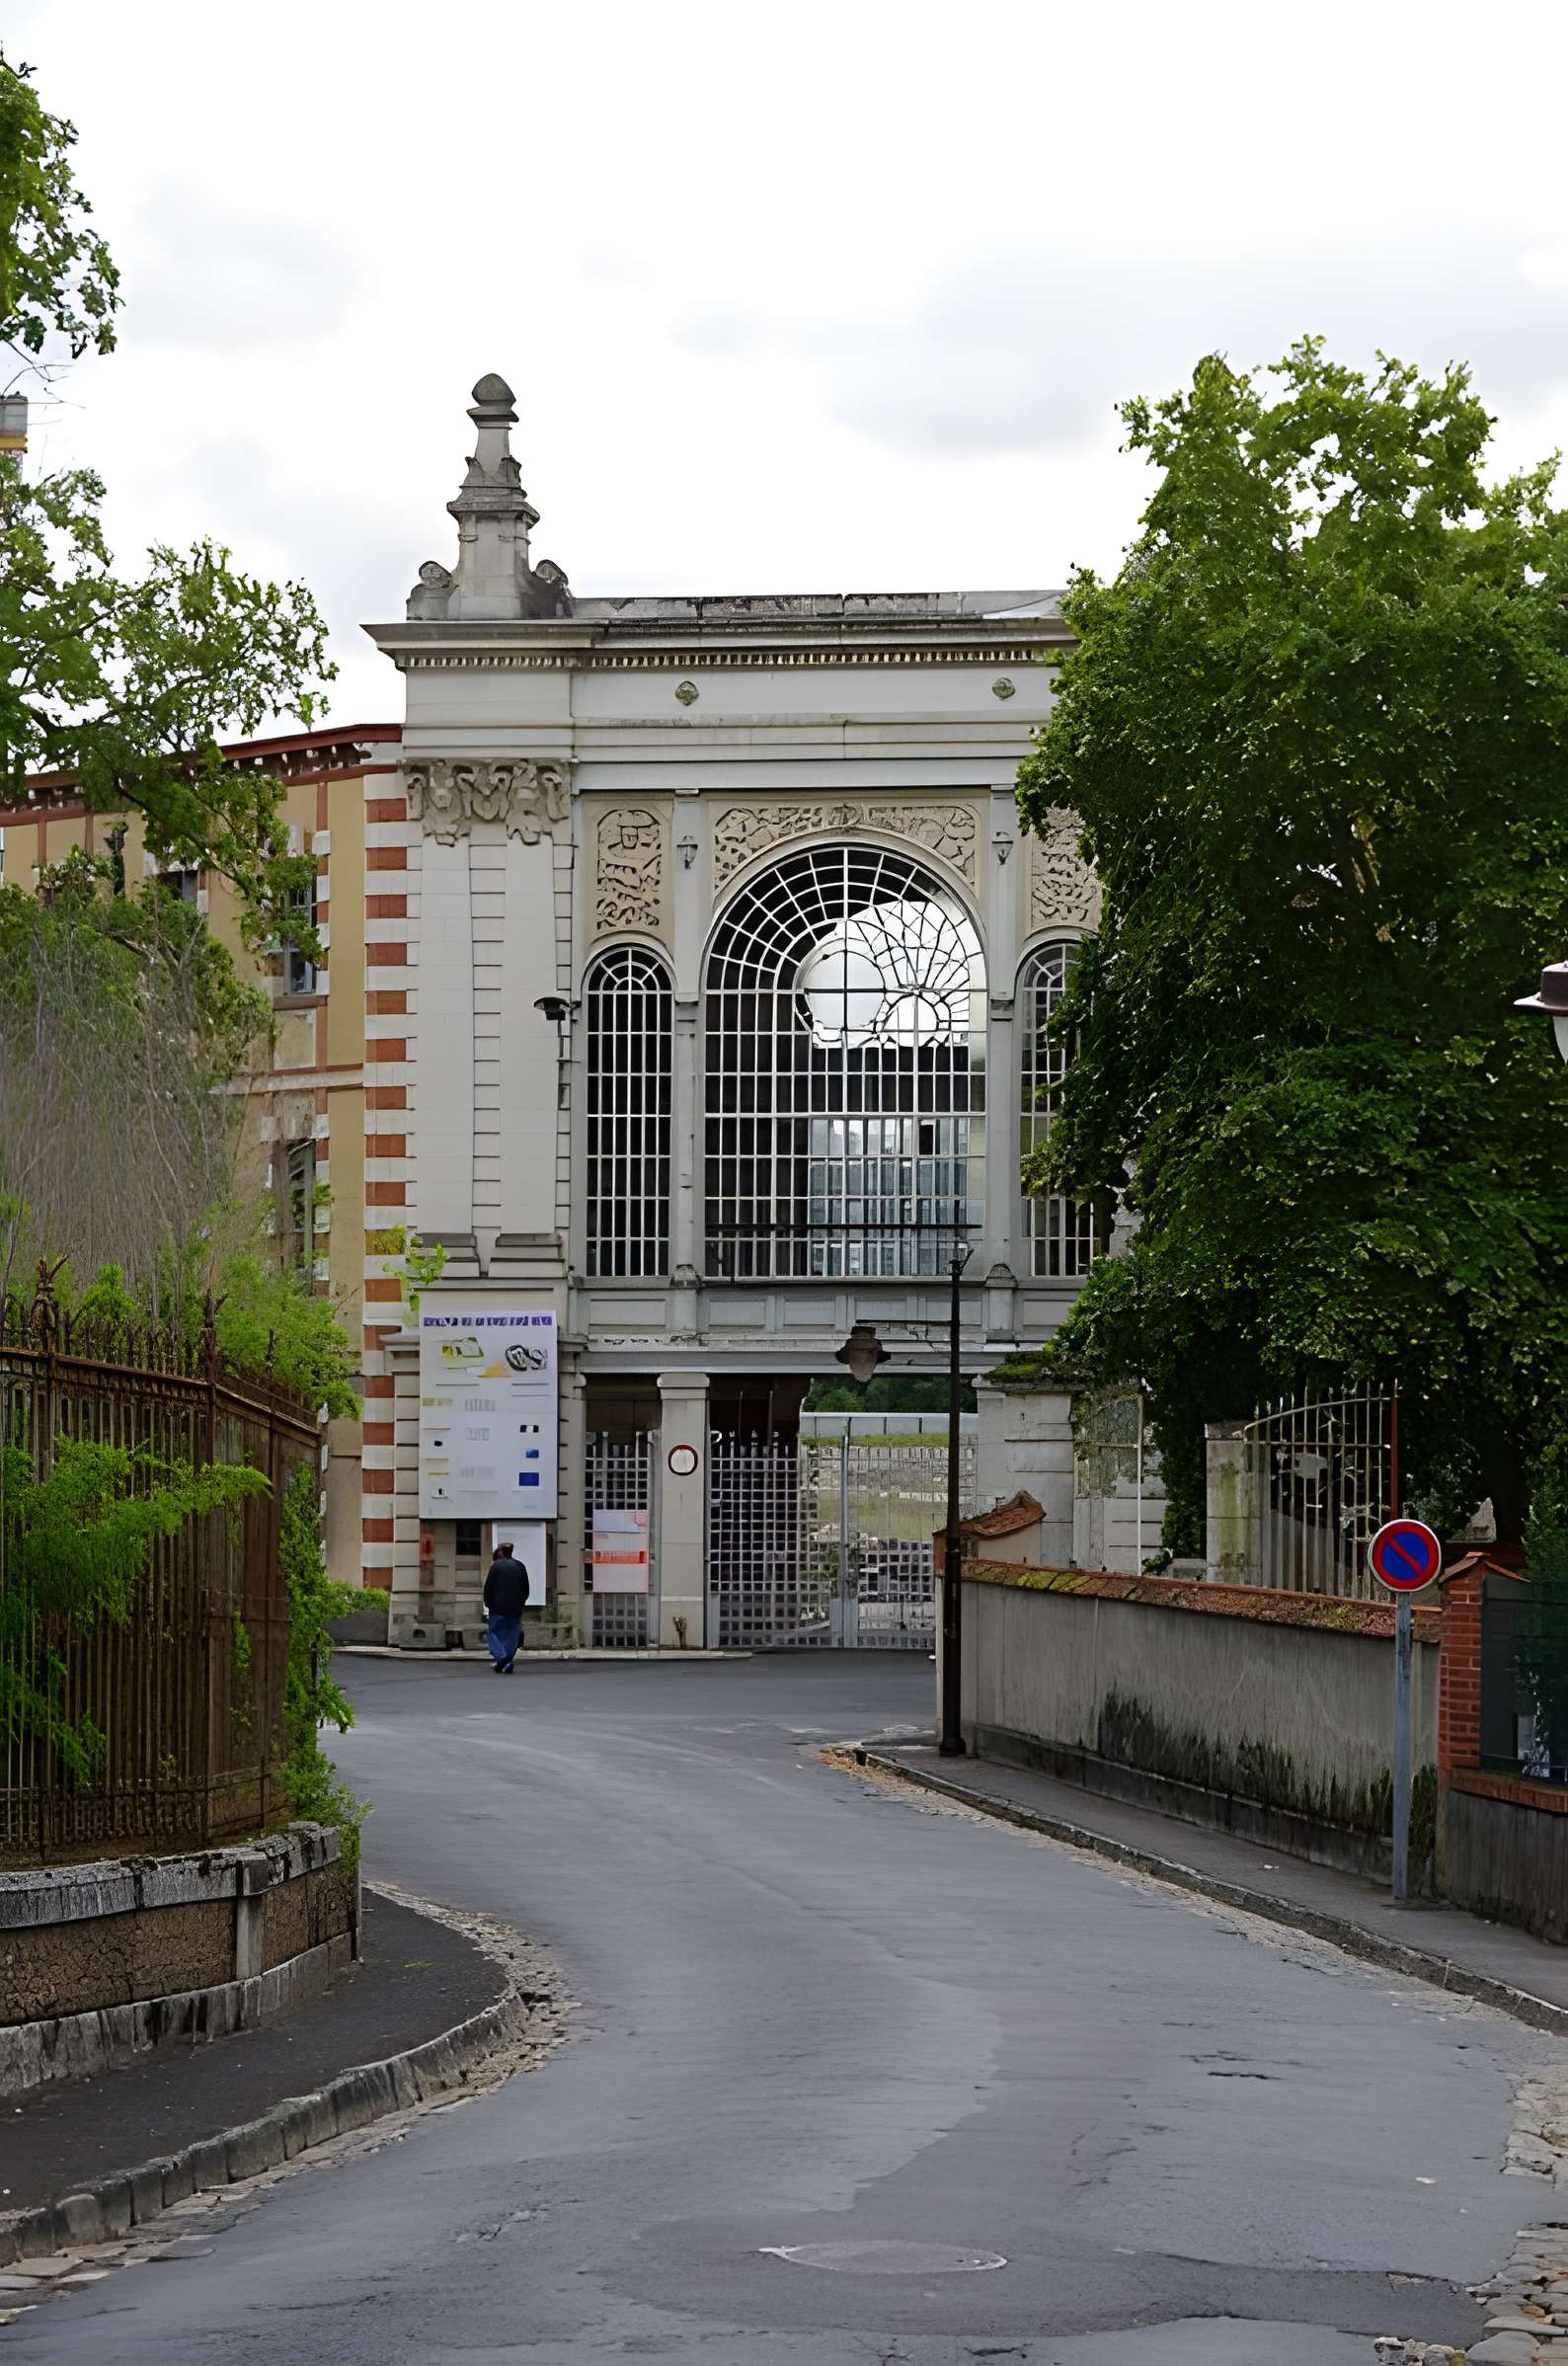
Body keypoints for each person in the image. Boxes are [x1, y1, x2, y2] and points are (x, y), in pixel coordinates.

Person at [482, 1539, 529, 1674]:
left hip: (497, 1608)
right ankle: (507, 1661)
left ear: (501, 1552)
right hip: (515, 1609)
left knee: (494, 1633)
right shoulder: (520, 1566)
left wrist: (488, 1602)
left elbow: (489, 1587)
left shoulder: (496, 1566)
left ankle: (501, 1658)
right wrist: (521, 1603)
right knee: (511, 1635)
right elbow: (526, 1589)